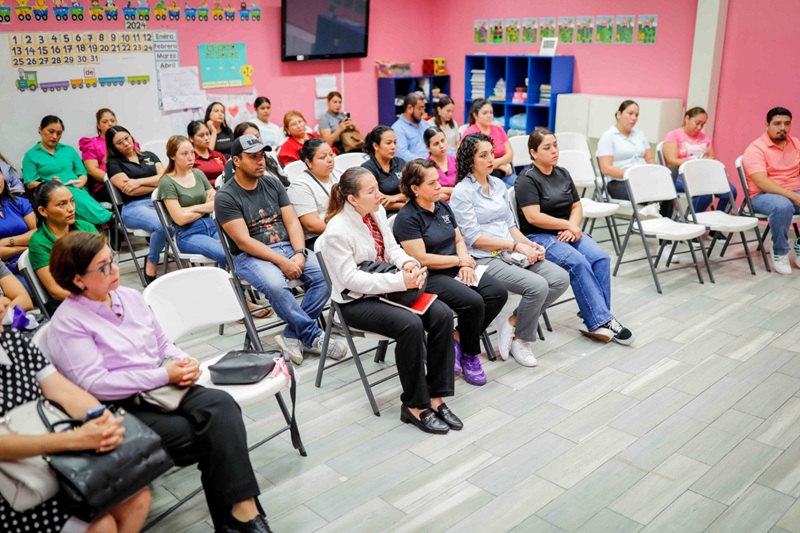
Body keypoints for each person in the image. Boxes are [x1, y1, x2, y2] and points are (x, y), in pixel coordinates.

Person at [44, 232, 273, 533]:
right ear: (78, 280)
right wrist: (165, 375)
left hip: (160, 387)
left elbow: (162, 343)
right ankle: (244, 518)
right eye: (103, 267)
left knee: (222, 405)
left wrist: (185, 361)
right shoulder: (68, 323)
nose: (114, 269)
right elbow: (96, 384)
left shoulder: (129, 297)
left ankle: (242, 516)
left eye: (112, 259)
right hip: (117, 406)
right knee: (211, 437)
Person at [317, 167, 462, 434]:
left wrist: (408, 263)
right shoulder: (336, 230)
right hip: (355, 302)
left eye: (377, 187)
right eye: (371, 191)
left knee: (441, 314)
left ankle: (436, 396)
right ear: (353, 199)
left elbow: (392, 248)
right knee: (410, 325)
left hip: (388, 287)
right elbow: (351, 280)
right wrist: (400, 282)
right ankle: (414, 405)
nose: (379, 194)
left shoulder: (377, 212)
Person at [0, 304, 151, 533]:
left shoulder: (13, 342)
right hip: (13, 484)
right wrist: (75, 440)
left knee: (137, 499)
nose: (5, 304)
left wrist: (103, 419)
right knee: (101, 526)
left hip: (54, 458)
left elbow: (64, 392)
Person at [215, 135, 346, 364]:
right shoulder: (226, 196)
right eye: (253, 157)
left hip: (287, 246)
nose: (260, 161)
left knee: (326, 276)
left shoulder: (272, 183)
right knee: (276, 286)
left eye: (262, 155)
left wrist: (299, 252)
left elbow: (293, 222)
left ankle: (292, 334)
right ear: (236, 161)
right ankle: (313, 336)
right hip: (250, 255)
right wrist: (283, 262)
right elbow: (244, 241)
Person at [451, 133, 570, 366]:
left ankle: (512, 323)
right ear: (470, 160)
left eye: (491, 153)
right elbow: (474, 239)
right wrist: (515, 246)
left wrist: (529, 245)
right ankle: (522, 339)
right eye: (483, 155)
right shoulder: (462, 192)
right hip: (484, 258)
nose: (490, 159)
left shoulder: (497, 184)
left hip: (509, 251)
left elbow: (510, 226)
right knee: (537, 286)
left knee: (560, 278)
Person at [393, 159, 508, 386]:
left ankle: (457, 339)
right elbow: (422, 258)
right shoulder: (407, 218)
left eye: (438, 180)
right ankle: (470, 355)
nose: (439, 186)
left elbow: (458, 239)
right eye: (432, 183)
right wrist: (459, 260)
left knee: (497, 293)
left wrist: (464, 264)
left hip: (455, 267)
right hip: (430, 275)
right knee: (473, 302)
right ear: (415, 188)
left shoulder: (442, 206)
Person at [516, 128, 633, 345]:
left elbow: (576, 205)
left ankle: (597, 318)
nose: (554, 151)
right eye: (547, 147)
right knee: (577, 263)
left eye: (555, 145)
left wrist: (572, 228)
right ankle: (602, 320)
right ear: (533, 153)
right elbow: (533, 217)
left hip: (567, 231)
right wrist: (568, 225)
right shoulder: (527, 179)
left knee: (600, 258)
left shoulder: (562, 173)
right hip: (539, 237)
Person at [22, 116, 112, 226]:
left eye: (59, 133)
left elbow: (82, 174)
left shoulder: (69, 150)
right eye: (51, 132)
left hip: (77, 190)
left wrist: (79, 185)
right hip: (51, 194)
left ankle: (88, 229)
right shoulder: (31, 155)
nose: (54, 137)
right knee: (66, 193)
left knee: (72, 196)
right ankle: (109, 218)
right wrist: (51, 184)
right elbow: (30, 183)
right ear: (40, 129)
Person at [743, 107, 800, 275]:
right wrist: (794, 197)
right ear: (766, 125)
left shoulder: (796, 144)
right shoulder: (756, 149)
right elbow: (762, 182)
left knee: (786, 203)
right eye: (777, 123)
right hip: (762, 196)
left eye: (787, 123)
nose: (783, 127)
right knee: (782, 206)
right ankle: (780, 251)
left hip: (793, 191)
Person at [105, 125, 164, 284]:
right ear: (113, 147)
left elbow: (165, 179)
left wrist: (138, 182)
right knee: (162, 225)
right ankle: (152, 260)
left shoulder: (149, 155)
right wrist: (156, 185)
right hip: (134, 206)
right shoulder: (114, 164)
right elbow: (130, 191)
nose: (125, 143)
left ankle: (183, 261)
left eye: (126, 138)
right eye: (119, 142)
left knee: (180, 219)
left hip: (159, 201)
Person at [597, 100, 673, 219]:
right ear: (619, 114)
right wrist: (632, 175)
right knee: (664, 191)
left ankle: (660, 220)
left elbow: (650, 159)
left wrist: (652, 173)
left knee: (670, 180)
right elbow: (605, 168)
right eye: (630, 113)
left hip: (643, 179)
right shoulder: (608, 136)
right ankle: (653, 206)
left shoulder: (639, 134)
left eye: (637, 115)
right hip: (620, 182)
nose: (634, 118)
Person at [29, 181, 99, 311]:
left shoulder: (86, 228)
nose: (71, 208)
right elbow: (56, 291)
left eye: (72, 201)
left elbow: (106, 266)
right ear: (43, 211)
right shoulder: (39, 243)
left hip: (98, 294)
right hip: (68, 306)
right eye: (62, 204)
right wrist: (93, 300)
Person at [663, 107, 737, 214]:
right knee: (704, 192)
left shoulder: (704, 138)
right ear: (687, 118)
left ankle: (718, 221)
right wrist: (694, 162)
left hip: (702, 175)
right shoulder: (674, 135)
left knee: (730, 191)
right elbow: (672, 160)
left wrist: (707, 162)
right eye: (697, 123)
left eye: (703, 124)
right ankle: (690, 220)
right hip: (680, 175)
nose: (699, 127)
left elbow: (711, 158)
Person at [287, 138, 339, 247]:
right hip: (319, 238)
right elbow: (311, 225)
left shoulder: (340, 174)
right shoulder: (300, 186)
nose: (330, 160)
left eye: (331, 154)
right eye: (323, 157)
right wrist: (345, 229)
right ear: (309, 162)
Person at [461, 99, 516, 187]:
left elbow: (510, 154)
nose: (489, 116)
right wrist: (499, 165)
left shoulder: (498, 129)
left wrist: (497, 163)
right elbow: (470, 162)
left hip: (503, 171)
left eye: (491, 112)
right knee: (507, 191)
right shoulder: (470, 134)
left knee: (521, 186)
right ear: (475, 115)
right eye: (485, 113)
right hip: (483, 176)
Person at [218, 122, 289, 189]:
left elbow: (286, 182)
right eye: (250, 138)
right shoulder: (233, 164)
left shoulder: (269, 156)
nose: (256, 141)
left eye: (257, 136)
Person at [79, 108, 128, 202]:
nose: (110, 124)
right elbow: (92, 170)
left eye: (112, 121)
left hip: (130, 180)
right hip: (106, 185)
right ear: (98, 125)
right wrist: (116, 180)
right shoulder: (91, 144)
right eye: (105, 122)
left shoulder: (125, 141)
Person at [0, 166, 36, 281]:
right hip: (6, 270)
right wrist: (25, 247)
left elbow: (36, 233)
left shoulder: (19, 202)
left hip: (34, 257)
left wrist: (7, 241)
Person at [360, 126, 407, 213]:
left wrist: (395, 197)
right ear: (375, 146)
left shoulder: (400, 162)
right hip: (382, 214)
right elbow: (376, 201)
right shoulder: (367, 169)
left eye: (395, 142)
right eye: (388, 143)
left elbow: (414, 191)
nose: (393, 147)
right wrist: (403, 206)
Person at [392, 93, 433, 161]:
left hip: (432, 162)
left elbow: (435, 140)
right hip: (416, 165)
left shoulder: (424, 123)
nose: (423, 111)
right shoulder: (397, 129)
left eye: (424, 108)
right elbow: (402, 155)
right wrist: (425, 162)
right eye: (420, 108)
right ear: (409, 108)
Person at [188, 120, 226, 187]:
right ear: (191, 139)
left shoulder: (218, 155)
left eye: (208, 134)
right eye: (201, 136)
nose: (206, 138)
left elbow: (229, 173)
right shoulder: (190, 159)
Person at [424, 127, 456, 201]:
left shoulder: (455, 161)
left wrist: (443, 190)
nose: (441, 146)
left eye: (443, 140)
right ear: (428, 148)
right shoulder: (425, 167)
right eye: (436, 144)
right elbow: (428, 195)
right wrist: (454, 191)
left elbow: (464, 189)